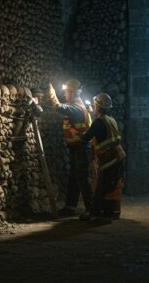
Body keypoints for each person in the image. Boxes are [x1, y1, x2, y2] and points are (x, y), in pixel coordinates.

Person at [47, 78, 94, 219]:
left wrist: (51, 93)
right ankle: (70, 207)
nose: (65, 94)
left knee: (83, 179)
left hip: (81, 148)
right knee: (75, 178)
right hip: (77, 148)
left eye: (67, 92)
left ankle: (91, 209)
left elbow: (59, 107)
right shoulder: (76, 105)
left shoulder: (76, 108)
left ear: (72, 93)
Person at [81, 92, 126, 225]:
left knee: (103, 186)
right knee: (112, 185)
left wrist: (78, 138)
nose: (93, 108)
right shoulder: (110, 120)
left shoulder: (98, 122)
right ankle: (110, 213)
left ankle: (100, 214)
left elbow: (86, 137)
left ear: (98, 107)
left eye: (95, 106)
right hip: (119, 156)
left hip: (110, 159)